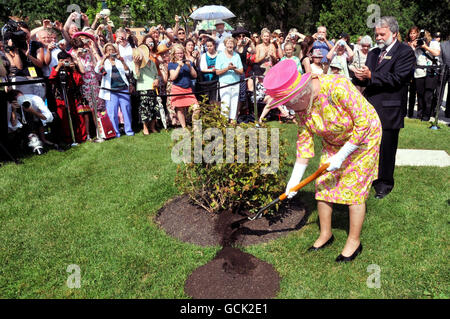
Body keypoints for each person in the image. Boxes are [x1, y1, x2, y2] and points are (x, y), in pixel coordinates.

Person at [262, 59, 382, 262]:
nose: (288, 108)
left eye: (289, 102)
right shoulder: (301, 109)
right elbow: (304, 143)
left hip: (364, 139)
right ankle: (326, 234)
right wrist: (294, 181)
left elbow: (364, 123)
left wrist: (343, 155)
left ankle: (354, 241)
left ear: (301, 92)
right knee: (323, 184)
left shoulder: (337, 86)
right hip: (334, 142)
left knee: (354, 188)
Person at [353, 16, 416, 199]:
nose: (378, 37)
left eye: (382, 34)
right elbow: (366, 77)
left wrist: (371, 75)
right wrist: (358, 76)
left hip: (390, 108)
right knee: (368, 146)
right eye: (376, 34)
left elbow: (399, 78)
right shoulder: (373, 53)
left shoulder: (404, 52)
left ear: (394, 33)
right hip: (370, 107)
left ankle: (384, 183)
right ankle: (368, 178)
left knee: (387, 148)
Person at [95, 43, 134, 137]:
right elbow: (97, 70)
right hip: (110, 90)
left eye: (112, 50)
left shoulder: (119, 61)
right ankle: (115, 132)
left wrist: (123, 61)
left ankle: (129, 130)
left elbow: (128, 71)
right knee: (112, 112)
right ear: (105, 52)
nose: (111, 52)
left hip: (123, 88)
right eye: (108, 50)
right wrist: (104, 58)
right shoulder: (103, 61)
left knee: (126, 110)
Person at [168, 43, 199, 128]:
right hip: (177, 89)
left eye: (181, 53)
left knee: (196, 108)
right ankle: (184, 127)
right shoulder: (171, 64)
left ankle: (195, 128)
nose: (180, 55)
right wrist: (178, 67)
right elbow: (172, 77)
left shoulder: (188, 62)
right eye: (178, 53)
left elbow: (195, 75)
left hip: (188, 89)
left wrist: (190, 67)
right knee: (180, 109)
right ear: (174, 54)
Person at [412, 30, 441, 121]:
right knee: (420, 94)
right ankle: (419, 114)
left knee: (428, 95)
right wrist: (413, 46)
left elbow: (437, 53)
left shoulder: (434, 43)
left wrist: (425, 47)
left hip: (430, 72)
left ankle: (426, 115)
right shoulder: (416, 44)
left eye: (424, 36)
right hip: (419, 71)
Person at [215, 37, 244, 123]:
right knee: (225, 103)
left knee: (234, 103)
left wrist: (234, 69)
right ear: (225, 45)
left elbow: (241, 71)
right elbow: (217, 72)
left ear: (234, 45)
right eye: (228, 43)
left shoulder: (237, 55)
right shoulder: (220, 56)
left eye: (232, 43)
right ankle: (224, 123)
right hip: (224, 83)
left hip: (235, 82)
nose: (230, 45)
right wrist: (227, 68)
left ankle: (232, 122)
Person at [133, 44, 160, 135]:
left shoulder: (151, 62)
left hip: (153, 87)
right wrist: (137, 65)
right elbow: (136, 77)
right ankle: (145, 128)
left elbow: (156, 74)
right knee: (145, 109)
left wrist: (156, 79)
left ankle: (152, 127)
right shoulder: (137, 63)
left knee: (154, 108)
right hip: (143, 88)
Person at [199, 38, 219, 104]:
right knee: (208, 99)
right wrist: (211, 70)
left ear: (214, 46)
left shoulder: (219, 54)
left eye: (210, 46)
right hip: (207, 80)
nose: (209, 47)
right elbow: (202, 68)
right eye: (207, 46)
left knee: (216, 98)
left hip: (217, 80)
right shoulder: (204, 55)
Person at [406, 26, 420, 118]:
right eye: (411, 33)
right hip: (407, 69)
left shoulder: (420, 43)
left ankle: (413, 113)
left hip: (416, 69)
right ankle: (406, 111)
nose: (412, 35)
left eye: (414, 33)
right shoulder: (406, 43)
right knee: (405, 91)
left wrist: (413, 48)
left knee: (414, 92)